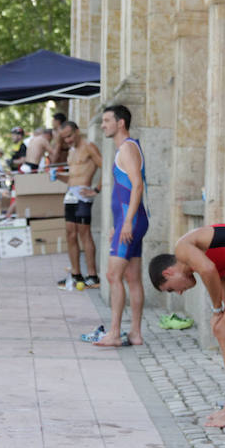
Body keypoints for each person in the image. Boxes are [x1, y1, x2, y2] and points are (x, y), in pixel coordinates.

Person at [148, 224, 225, 426]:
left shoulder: (183, 248)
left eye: (171, 290)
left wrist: (216, 310)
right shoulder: (213, 264)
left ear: (169, 273)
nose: (179, 293)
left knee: (222, 327)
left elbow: (207, 269)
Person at [93, 105, 148, 347]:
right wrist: (120, 222)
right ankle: (135, 333)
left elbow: (137, 186)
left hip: (132, 221)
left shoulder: (127, 148)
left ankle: (115, 333)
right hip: (130, 220)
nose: (103, 125)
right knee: (132, 277)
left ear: (121, 123)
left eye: (107, 121)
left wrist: (127, 222)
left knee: (113, 275)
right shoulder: (126, 148)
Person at [53, 120, 102, 288]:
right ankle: (76, 273)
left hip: (83, 195)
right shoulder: (71, 151)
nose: (67, 140)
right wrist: (58, 176)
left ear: (77, 131)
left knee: (84, 233)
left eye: (69, 136)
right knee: (70, 233)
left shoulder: (89, 146)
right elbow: (72, 177)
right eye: (64, 138)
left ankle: (93, 275)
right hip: (70, 195)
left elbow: (107, 167)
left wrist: (96, 190)